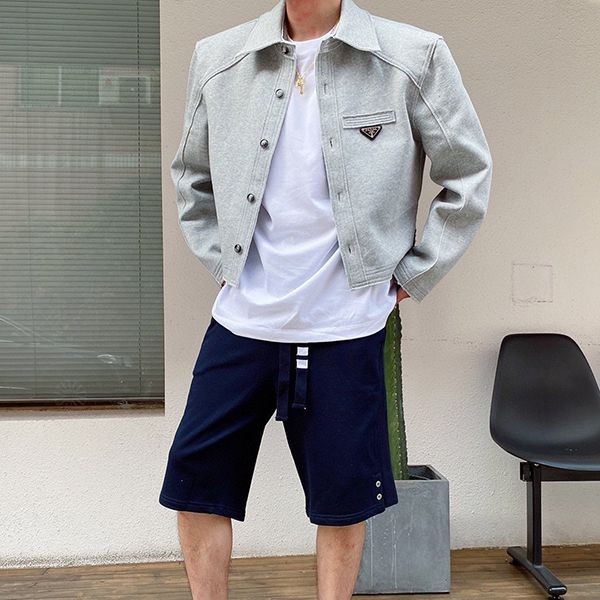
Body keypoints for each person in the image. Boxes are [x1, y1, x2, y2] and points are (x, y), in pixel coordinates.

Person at [159, 0, 493, 597]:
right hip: (241, 323)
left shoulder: (412, 56)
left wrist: (414, 273)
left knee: (342, 501)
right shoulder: (219, 59)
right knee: (196, 484)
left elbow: (467, 173)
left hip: (347, 326)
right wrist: (222, 259)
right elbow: (190, 174)